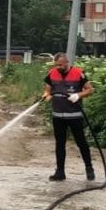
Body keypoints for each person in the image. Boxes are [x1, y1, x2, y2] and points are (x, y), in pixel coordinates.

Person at [42, 53, 96, 181]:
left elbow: (90, 90)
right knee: (59, 144)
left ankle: (89, 168)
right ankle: (60, 172)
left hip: (74, 116)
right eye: (56, 65)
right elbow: (47, 90)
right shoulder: (52, 73)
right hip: (58, 116)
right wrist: (46, 95)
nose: (58, 67)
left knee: (81, 143)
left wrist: (78, 95)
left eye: (60, 64)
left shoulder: (78, 73)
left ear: (67, 62)